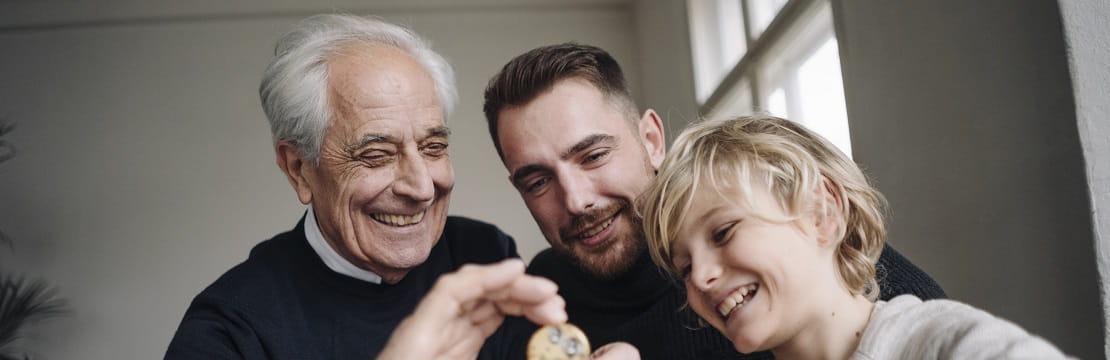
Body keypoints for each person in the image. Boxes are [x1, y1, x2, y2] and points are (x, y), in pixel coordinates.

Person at [482, 43, 946, 359]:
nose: (577, 199)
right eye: (538, 181)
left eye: (594, 155)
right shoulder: (531, 311)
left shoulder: (791, 247)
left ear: (651, 139)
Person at [165, 14, 556, 359]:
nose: (421, 188)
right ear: (299, 169)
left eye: (433, 147)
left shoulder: (484, 255)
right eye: (376, 155)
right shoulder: (230, 330)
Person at [637, 114, 1069, 359]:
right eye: (686, 267)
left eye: (723, 231)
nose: (701, 279)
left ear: (822, 212)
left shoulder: (941, 345)